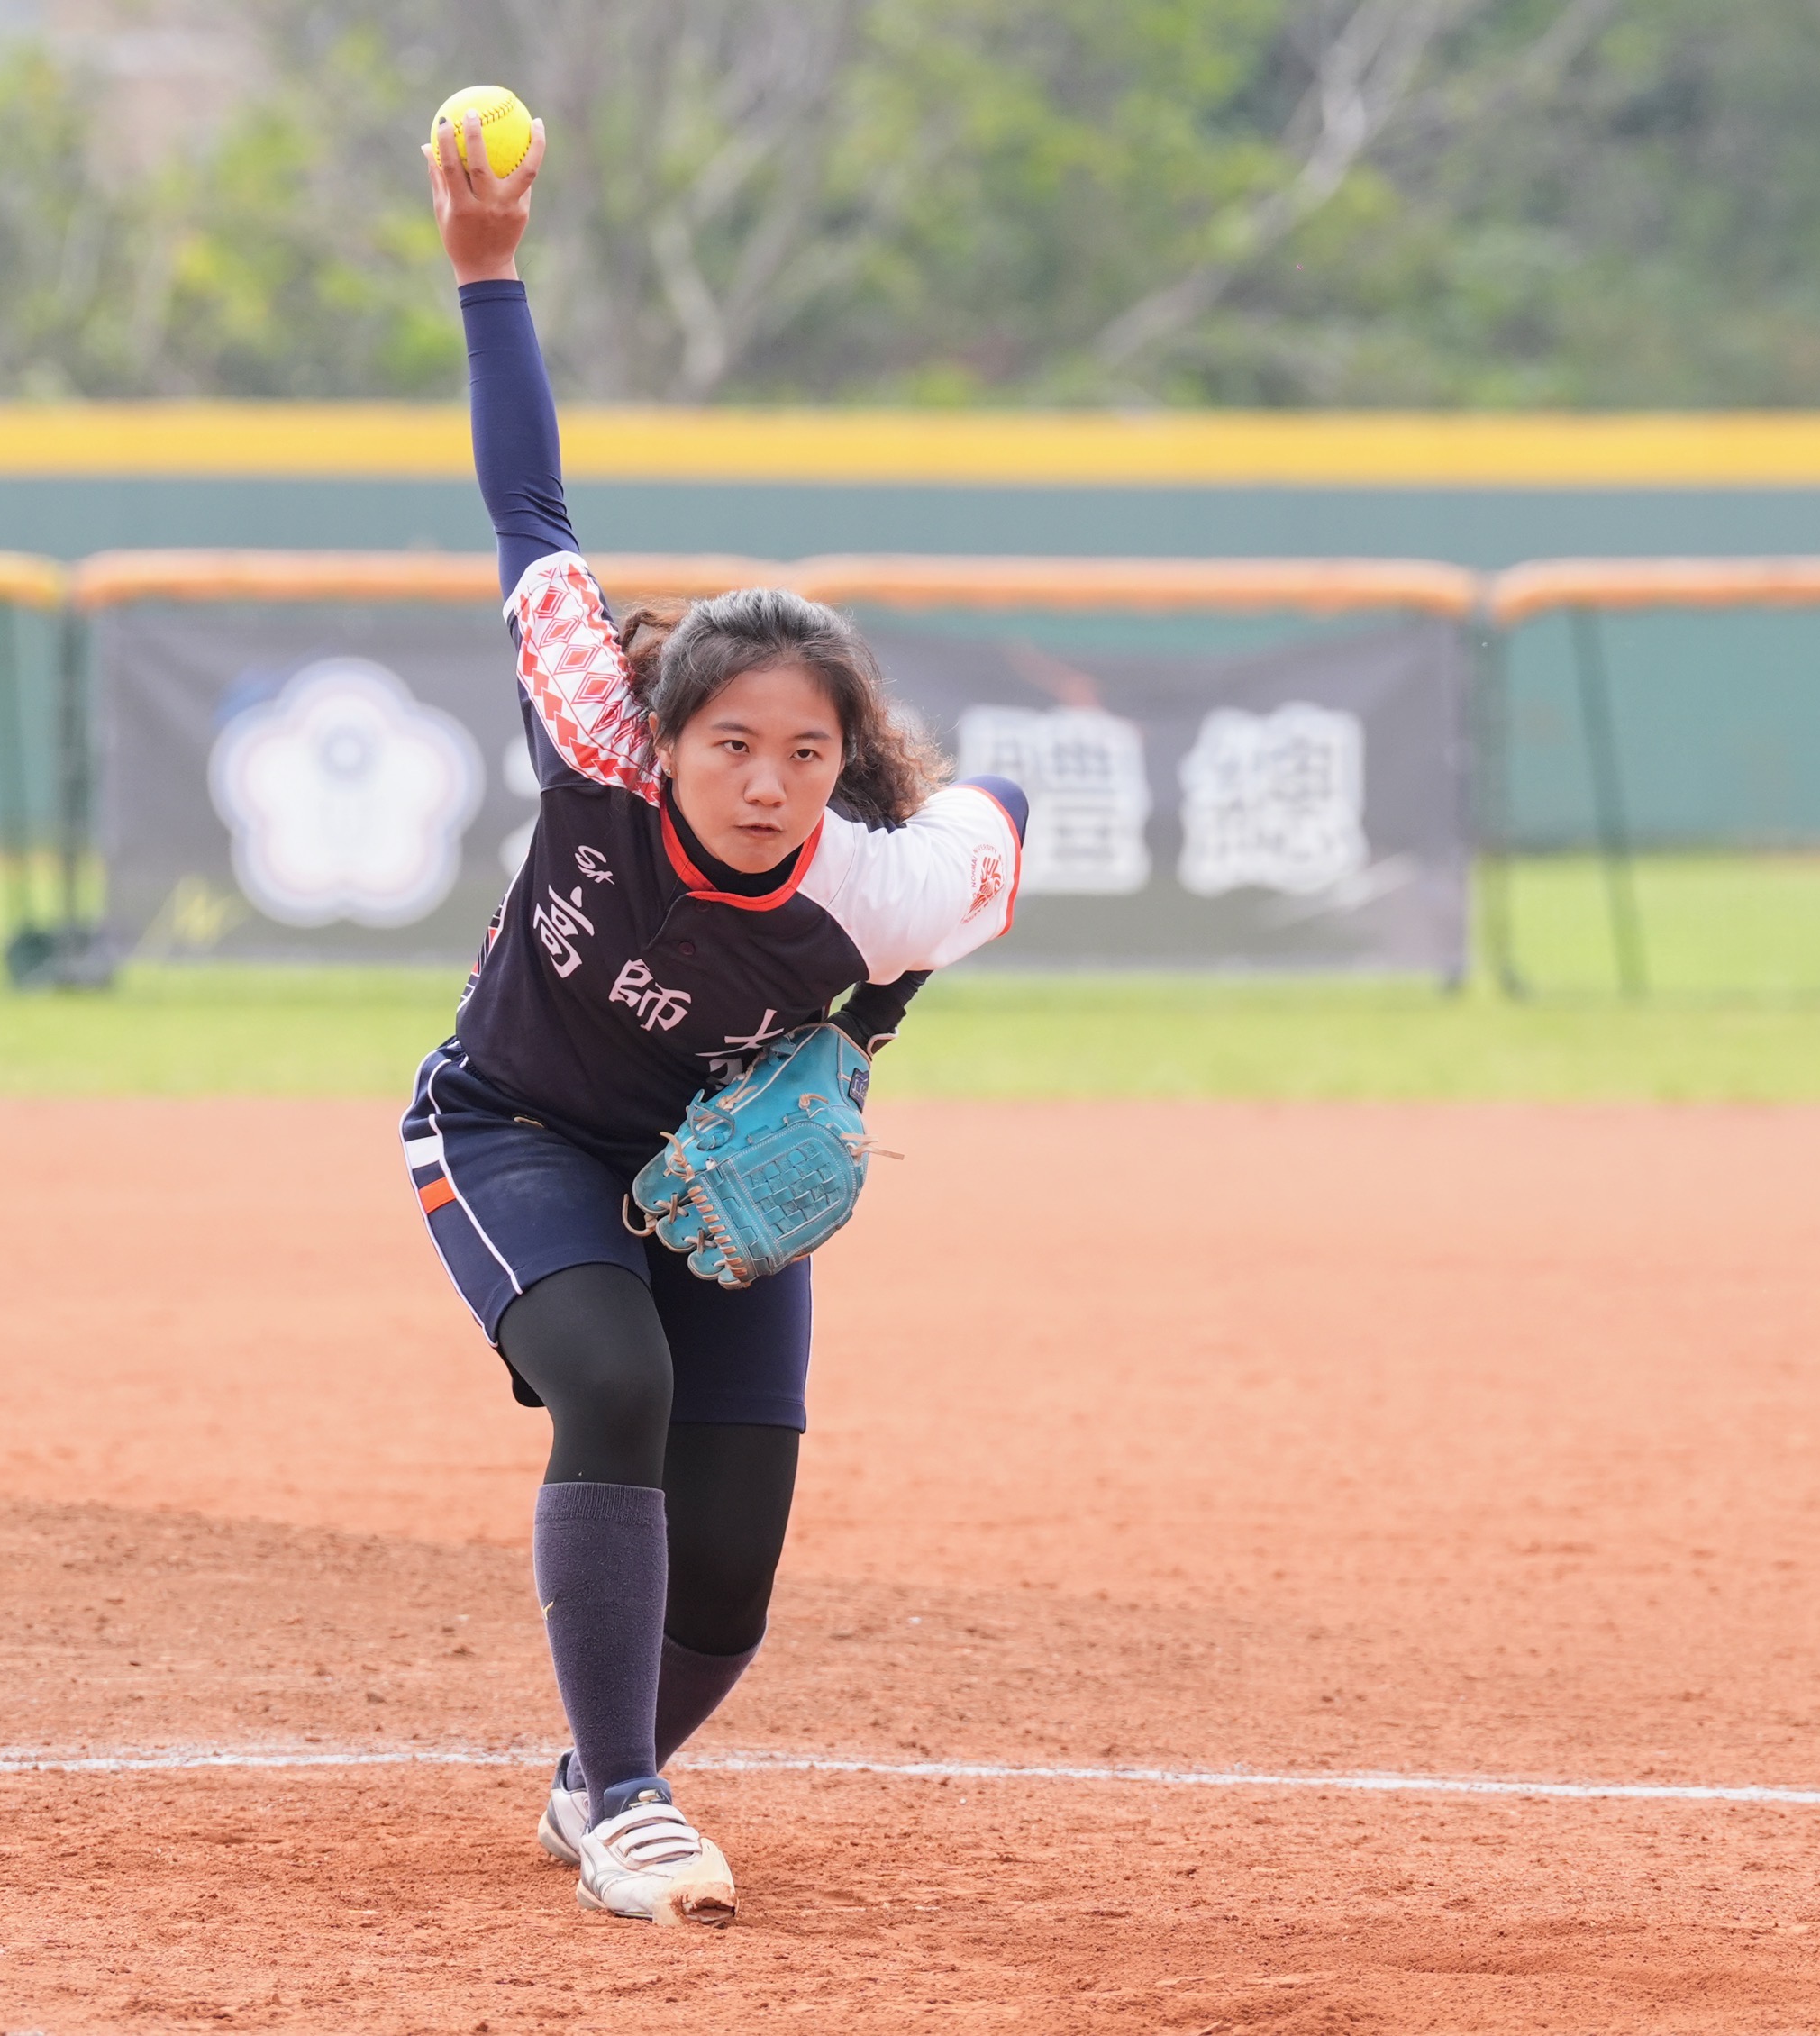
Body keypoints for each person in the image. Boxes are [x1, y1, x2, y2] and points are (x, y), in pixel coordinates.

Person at [404, 109, 1028, 1926]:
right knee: (615, 1382)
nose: (767, 780)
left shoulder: (878, 884)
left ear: (842, 764)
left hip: (697, 1164)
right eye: (732, 742)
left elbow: (1000, 822)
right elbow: (531, 511)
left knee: (734, 1566)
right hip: (510, 1125)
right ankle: (627, 1806)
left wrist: (872, 1027)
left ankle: (589, 1767)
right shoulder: (589, 736)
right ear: (666, 736)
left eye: (806, 753)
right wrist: (487, 272)